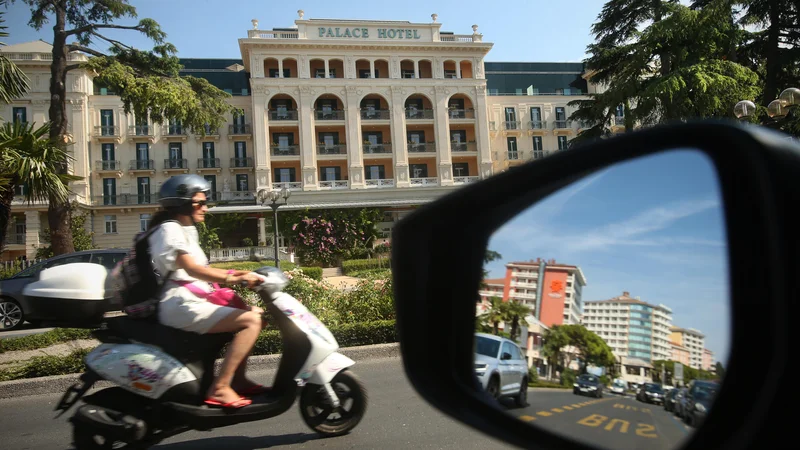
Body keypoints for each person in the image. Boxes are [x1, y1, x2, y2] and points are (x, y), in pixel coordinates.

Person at [149, 174, 265, 409]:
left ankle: (238, 380)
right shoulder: (169, 229)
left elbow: (201, 269)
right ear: (183, 204)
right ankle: (220, 388)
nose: (206, 208)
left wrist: (240, 273)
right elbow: (191, 269)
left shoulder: (182, 229)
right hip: (181, 305)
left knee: (255, 312)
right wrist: (232, 279)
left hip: (190, 300)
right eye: (200, 203)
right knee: (251, 321)